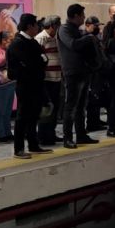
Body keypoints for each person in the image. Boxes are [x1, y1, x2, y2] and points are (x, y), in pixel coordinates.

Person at [6, 14, 53, 159]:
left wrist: (38, 62)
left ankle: (33, 144)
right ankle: (18, 148)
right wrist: (38, 62)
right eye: (35, 25)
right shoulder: (18, 43)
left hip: (36, 83)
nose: (38, 28)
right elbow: (31, 63)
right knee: (22, 116)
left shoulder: (32, 42)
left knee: (34, 115)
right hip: (25, 85)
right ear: (29, 26)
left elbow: (44, 59)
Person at [57, 4, 99, 149]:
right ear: (75, 16)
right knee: (71, 106)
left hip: (84, 71)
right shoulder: (64, 29)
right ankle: (67, 138)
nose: (83, 17)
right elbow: (72, 45)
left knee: (81, 106)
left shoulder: (78, 30)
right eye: (82, 15)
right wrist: (89, 38)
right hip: (72, 72)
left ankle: (81, 134)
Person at [35, 15, 63, 145]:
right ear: (52, 26)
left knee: (55, 108)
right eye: (58, 25)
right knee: (46, 109)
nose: (59, 28)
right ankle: (43, 136)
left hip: (57, 77)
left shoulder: (56, 38)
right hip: (46, 79)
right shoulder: (40, 38)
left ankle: (51, 133)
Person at [84, 16, 107, 131]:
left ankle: (96, 120)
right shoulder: (86, 38)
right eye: (95, 25)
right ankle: (92, 123)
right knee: (93, 98)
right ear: (87, 25)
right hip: (92, 74)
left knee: (97, 98)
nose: (98, 28)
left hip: (98, 73)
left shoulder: (95, 37)